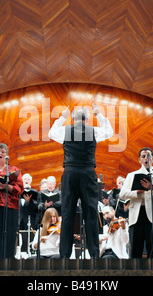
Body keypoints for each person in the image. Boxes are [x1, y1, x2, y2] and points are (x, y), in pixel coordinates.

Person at [48, 103, 113, 259]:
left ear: (73, 118)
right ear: (88, 118)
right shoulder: (94, 131)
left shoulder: (65, 130)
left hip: (70, 172)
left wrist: (62, 117)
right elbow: (109, 132)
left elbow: (51, 133)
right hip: (88, 173)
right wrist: (99, 114)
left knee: (67, 214)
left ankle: (64, 256)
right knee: (91, 214)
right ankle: (94, 256)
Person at [119, 147, 153, 259]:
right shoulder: (132, 175)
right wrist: (137, 192)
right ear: (139, 160)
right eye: (143, 156)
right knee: (136, 250)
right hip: (137, 214)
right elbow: (122, 194)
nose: (146, 158)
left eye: (149, 156)